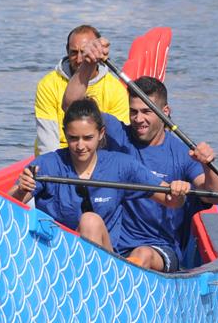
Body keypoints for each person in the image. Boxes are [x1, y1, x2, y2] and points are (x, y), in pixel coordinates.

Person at [62, 36, 218, 272]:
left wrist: (207, 165)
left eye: (146, 112)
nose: (138, 119)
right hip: (114, 246)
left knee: (142, 254)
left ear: (165, 112)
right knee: (89, 223)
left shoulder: (182, 152)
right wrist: (88, 64)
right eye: (133, 112)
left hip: (160, 250)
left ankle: (116, 280)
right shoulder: (117, 135)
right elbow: (72, 106)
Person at [10, 98, 189, 254]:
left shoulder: (122, 165)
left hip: (106, 265)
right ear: (65, 133)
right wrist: (21, 190)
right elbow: (7, 205)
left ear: (101, 134)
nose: (80, 146)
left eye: (88, 138)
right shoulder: (46, 164)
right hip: (55, 255)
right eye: (73, 138)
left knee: (90, 221)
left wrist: (178, 192)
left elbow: (171, 201)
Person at [33, 24, 129, 156]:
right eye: (74, 52)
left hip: (97, 155)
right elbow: (47, 138)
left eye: (84, 52)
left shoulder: (116, 89)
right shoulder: (48, 84)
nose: (79, 59)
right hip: (58, 155)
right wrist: (52, 168)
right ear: (67, 51)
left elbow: (117, 139)